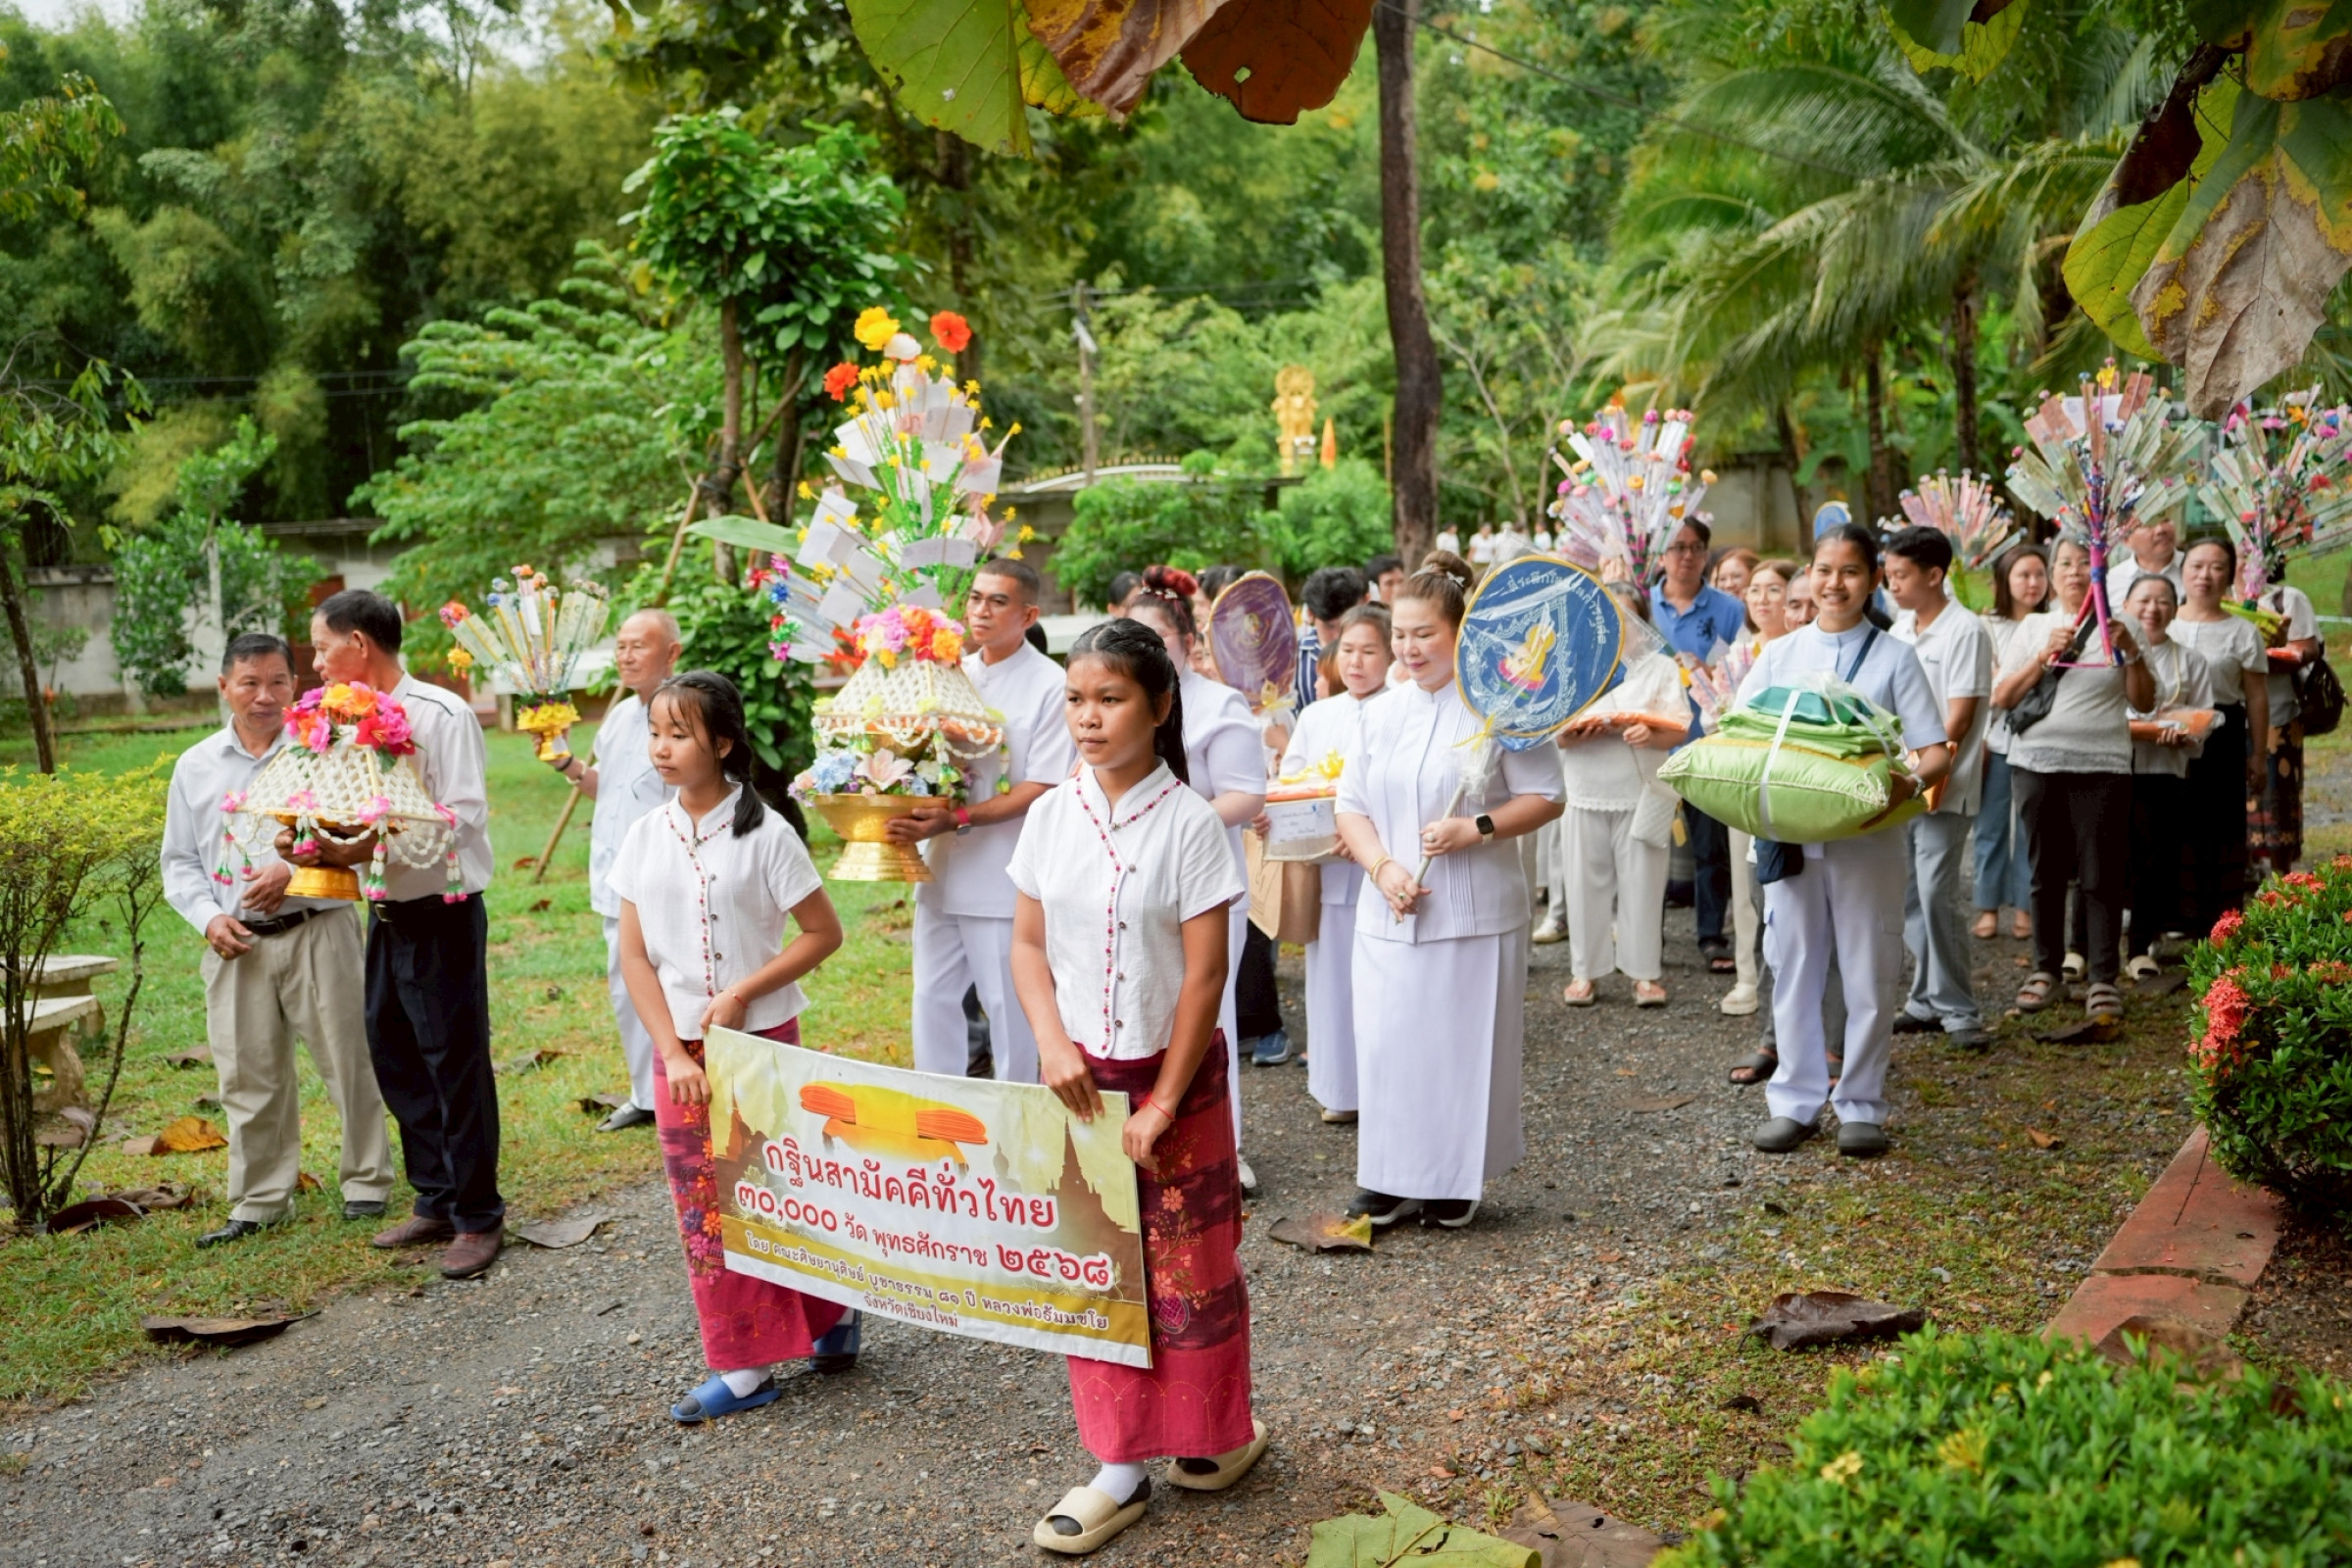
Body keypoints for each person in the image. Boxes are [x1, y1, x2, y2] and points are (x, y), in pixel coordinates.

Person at [1007, 617, 1265, 1556]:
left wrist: (1161, 1102)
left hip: (1176, 1080)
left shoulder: (1191, 823)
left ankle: (1211, 1435)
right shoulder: (1050, 815)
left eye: (1109, 699)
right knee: (1101, 1267)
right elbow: (1026, 945)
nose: (1088, 717)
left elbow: (1205, 977)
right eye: (1075, 699)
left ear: (1159, 708)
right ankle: (1117, 1466)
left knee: (1191, 1268)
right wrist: (1052, 1045)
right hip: (1078, 1084)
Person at [612, 671, 859, 1423]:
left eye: (679, 734)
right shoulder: (643, 837)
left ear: (722, 744)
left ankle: (831, 1315)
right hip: (679, 1054)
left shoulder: (767, 834)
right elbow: (634, 959)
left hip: (763, 1045)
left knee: (779, 1192)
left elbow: (824, 933)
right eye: (655, 733)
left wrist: (745, 991)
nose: (661, 748)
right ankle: (744, 1364)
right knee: (706, 1209)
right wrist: (672, 1053)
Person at [1335, 559, 1564, 1226]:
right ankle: (1387, 1176)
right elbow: (1350, 804)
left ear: (1462, 633)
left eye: (1424, 635)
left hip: (1474, 911)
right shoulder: (1380, 713)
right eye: (1400, 635)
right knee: (1388, 1046)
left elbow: (1547, 795)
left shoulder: (1505, 706)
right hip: (1388, 908)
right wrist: (1382, 868)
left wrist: (1476, 827)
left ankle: (1452, 1179)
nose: (1408, 649)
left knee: (1459, 1049)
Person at [288, 589, 501, 1279]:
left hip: (442, 911)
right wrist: (314, 837)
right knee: (396, 1053)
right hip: (385, 913)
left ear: (359, 644)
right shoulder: (339, 723)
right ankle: (435, 1197)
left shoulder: (441, 714)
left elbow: (461, 816)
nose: (316, 663)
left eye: (322, 647)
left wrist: (369, 848)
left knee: (454, 1062)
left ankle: (477, 1215)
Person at [162, 632, 394, 1249]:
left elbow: (360, 835)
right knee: (247, 1073)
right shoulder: (195, 766)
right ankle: (261, 1199)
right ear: (224, 687)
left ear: (297, 687)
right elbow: (179, 860)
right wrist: (208, 919)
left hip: (319, 929)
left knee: (348, 1060)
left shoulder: (327, 751)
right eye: (250, 683)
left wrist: (290, 868)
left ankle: (367, 1183)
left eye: (278, 682)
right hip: (235, 942)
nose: (264, 696)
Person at [1740, 524, 1950, 1158]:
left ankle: (1860, 1103)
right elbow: (1741, 734)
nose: (1835, 584)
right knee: (1793, 965)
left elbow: (1935, 752)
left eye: (1851, 571)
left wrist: (1901, 785)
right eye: (1825, 570)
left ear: (1875, 579)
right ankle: (1795, 1101)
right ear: (1808, 575)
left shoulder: (1895, 658)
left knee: (1868, 969)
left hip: (1868, 838)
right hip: (1792, 836)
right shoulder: (1779, 654)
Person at [883, 559, 1074, 1086]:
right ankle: (937, 1107)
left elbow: (1044, 786)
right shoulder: (951, 673)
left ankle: (1019, 1113)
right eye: (975, 598)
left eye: (997, 601)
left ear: (1028, 614)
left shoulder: (1050, 685)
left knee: (1008, 1005)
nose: (981, 610)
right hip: (941, 866)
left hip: (1003, 873)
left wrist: (956, 818)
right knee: (931, 996)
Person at [1127, 571, 1268, 1166]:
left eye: (1157, 639)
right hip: (1132, 887)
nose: (1146, 651)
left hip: (1204, 884)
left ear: (1187, 641)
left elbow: (1247, 794)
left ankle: (1223, 1148)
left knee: (1210, 1014)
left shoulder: (1217, 704)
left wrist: (1172, 825)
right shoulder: (1119, 704)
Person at [1990, 536, 2154, 1022]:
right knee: (2045, 872)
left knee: (2100, 874)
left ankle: (2102, 978)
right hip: (2035, 764)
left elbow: (2145, 702)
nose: (2076, 572)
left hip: (2103, 765)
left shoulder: (2124, 627)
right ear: (2051, 573)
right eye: (2065, 563)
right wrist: (2043, 656)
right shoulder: (2034, 626)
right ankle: (2046, 971)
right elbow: (2003, 696)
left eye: (2086, 563)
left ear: (2102, 571)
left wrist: (2130, 653)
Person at [555, 609, 681, 1132]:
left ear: (671, 653)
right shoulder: (620, 717)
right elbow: (605, 787)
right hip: (618, 877)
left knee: (678, 987)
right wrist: (565, 762)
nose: (626, 656)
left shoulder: (684, 714)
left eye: (639, 646)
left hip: (668, 878)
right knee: (626, 988)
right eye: (622, 646)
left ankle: (685, 1086)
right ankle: (646, 1095)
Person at [1275, 604, 1390, 1124]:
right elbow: (1293, 782)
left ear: (1391, 655)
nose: (1356, 662)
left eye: (1369, 651)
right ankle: (1339, 1088)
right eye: (1348, 650)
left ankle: (1387, 1089)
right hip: (1327, 865)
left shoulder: (1402, 708)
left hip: (1384, 866)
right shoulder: (1317, 715)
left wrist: (1363, 831)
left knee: (1385, 982)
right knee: (1331, 982)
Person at [1885, 527, 1995, 1052]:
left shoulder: (1965, 631)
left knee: (1936, 893)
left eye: (1901, 575)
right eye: (1889, 575)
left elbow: (1960, 718)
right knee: (1908, 892)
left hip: (1944, 784)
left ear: (1934, 575)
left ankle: (1958, 1008)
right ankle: (1925, 1000)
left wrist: (1921, 768)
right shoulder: (1900, 629)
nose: (1892, 584)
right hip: (1903, 780)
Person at [1554, 600, 1684, 1008]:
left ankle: (1644, 973)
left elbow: (1679, 727)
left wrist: (1651, 733)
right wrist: (1573, 734)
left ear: (1642, 622)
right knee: (1582, 884)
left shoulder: (1661, 667)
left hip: (1641, 789)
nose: (1616, 625)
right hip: (1584, 786)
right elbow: (1555, 733)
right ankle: (1584, 971)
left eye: (1626, 617)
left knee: (1644, 884)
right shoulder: (1574, 664)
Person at [1650, 517, 1748, 976]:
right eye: (1677, 547)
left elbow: (1742, 671)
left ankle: (1711, 935)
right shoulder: (1642, 604)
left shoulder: (1729, 610)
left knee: (1711, 847)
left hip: (1707, 745)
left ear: (1706, 554)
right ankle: (1644, 939)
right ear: (1660, 554)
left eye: (1695, 547)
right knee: (1648, 845)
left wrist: (1707, 675)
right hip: (1650, 744)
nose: (1686, 556)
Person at [2171, 537, 2268, 931]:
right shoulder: (2163, 620)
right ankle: (2171, 917)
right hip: (2168, 732)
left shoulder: (2243, 632)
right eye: (2196, 566)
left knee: (2220, 824)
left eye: (2216, 567)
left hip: (2222, 733)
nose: (2205, 576)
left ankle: (2221, 922)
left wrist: (2258, 755)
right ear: (2182, 571)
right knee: (2172, 820)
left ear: (2229, 575)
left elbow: (2256, 697)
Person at [2122, 574, 2213, 977]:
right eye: (2143, 600)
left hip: (2164, 771)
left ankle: (2141, 943)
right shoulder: (2110, 655)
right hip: (2113, 767)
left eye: (2162, 601)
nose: (2152, 609)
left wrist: (2184, 735)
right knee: (2107, 857)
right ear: (2126, 606)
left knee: (2152, 859)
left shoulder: (2191, 660)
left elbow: (2204, 719)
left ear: (2175, 610)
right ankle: (2088, 946)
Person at [1720, 560, 1797, 1027]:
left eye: (1774, 589)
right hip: (1744, 779)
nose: (1762, 599)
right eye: (1754, 590)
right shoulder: (1736, 654)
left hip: (1791, 782)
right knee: (1744, 881)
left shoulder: (1802, 649)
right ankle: (1748, 975)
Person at [1972, 545, 2049, 942]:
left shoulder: (2055, 623)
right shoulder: (1986, 627)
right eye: (2023, 575)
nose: (2033, 583)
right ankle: (1987, 906)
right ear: (2005, 580)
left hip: (2039, 740)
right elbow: (1982, 687)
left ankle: (2025, 906)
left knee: (2031, 829)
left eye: (2039, 574)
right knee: (1990, 826)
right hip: (1996, 739)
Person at [2251, 562, 2324, 876]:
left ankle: (2283, 878)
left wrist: (2266, 654)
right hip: (2229, 714)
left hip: (2278, 713)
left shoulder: (2286, 599)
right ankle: (2246, 871)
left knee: (2278, 798)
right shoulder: (2215, 600)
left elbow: (2308, 650)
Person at [1297, 565, 1367, 712]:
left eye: (1345, 625)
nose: (1338, 636)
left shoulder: (1375, 655)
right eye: (1329, 627)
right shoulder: (1294, 660)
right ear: (1310, 614)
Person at [2105, 517, 2182, 611]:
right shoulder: (2111, 582)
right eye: (2148, 524)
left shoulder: (2195, 571)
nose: (2161, 529)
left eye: (2166, 520)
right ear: (2126, 539)